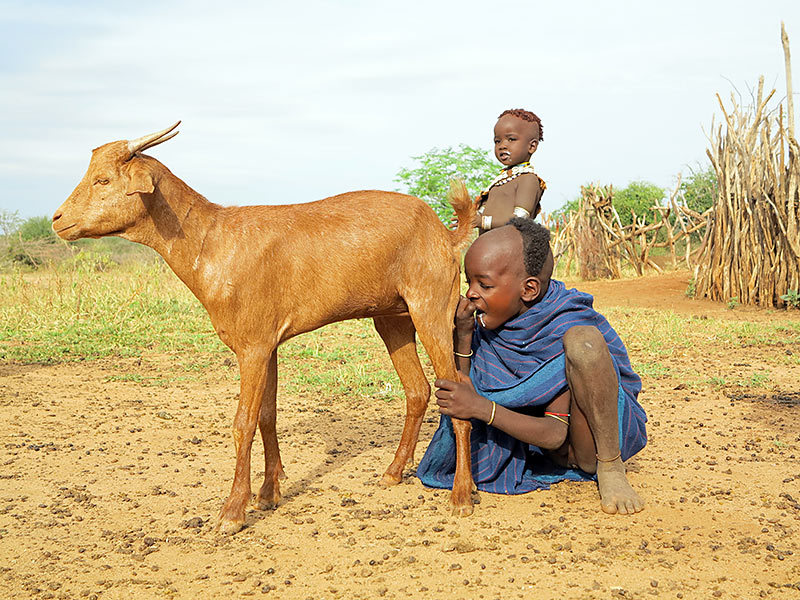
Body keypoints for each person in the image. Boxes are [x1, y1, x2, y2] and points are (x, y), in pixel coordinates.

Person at [416, 219, 647, 514]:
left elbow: (554, 434)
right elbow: (468, 388)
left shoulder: (560, 325)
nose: (471, 294)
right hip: (539, 451)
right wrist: (463, 335)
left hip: (584, 448)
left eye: (484, 285)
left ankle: (611, 468)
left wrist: (481, 408)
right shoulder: (494, 327)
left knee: (584, 341)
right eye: (469, 282)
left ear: (529, 289)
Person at [475, 109, 547, 233]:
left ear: (532, 146)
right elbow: (482, 212)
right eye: (497, 141)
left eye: (511, 139)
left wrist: (482, 221)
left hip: (513, 240)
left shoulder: (528, 179)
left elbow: (520, 219)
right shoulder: (499, 181)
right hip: (487, 241)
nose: (502, 145)